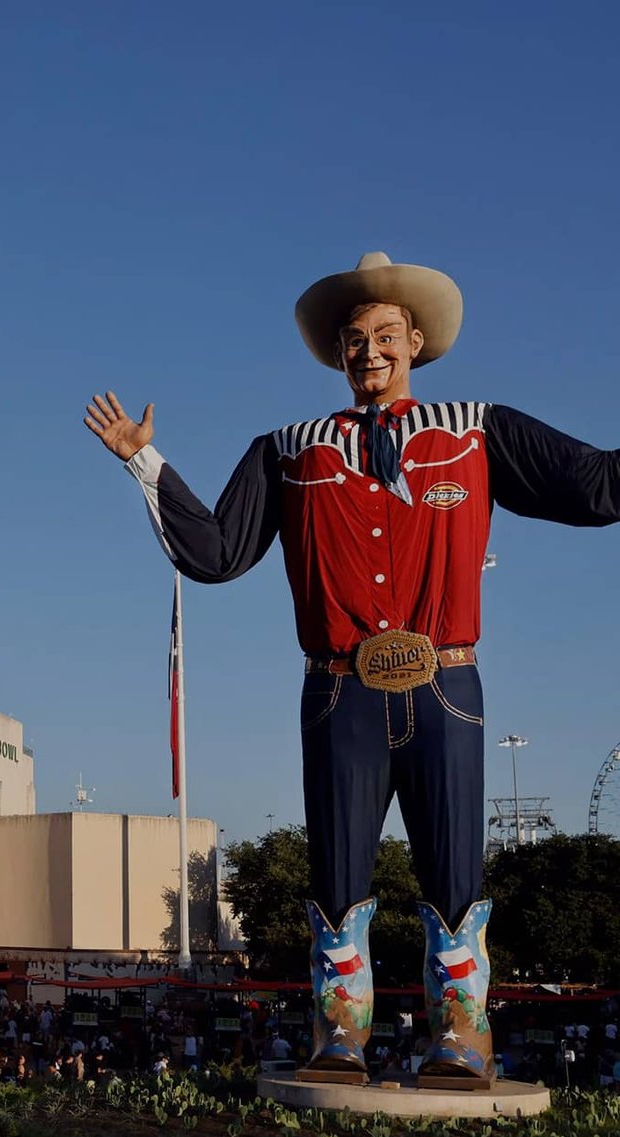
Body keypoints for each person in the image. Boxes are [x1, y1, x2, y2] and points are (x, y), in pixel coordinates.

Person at [86, 250, 620, 1084]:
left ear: (416, 341)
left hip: (448, 680)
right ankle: (340, 1033)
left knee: (454, 870)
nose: (369, 352)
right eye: (353, 340)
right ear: (338, 353)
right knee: (337, 876)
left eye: (384, 335)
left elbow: (593, 485)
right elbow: (218, 552)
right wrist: (143, 461)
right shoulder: (290, 450)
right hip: (339, 688)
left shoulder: (477, 430)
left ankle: (462, 1034)